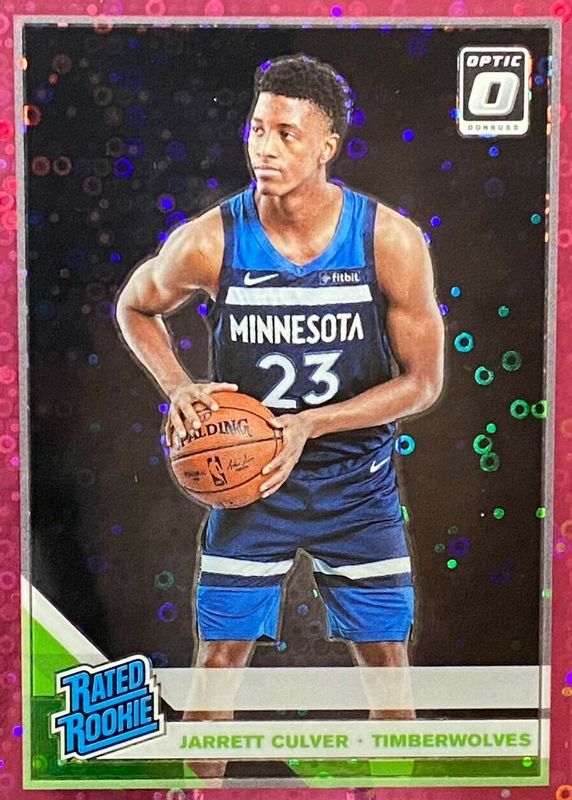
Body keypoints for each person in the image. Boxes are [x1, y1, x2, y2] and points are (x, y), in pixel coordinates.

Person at [116, 54, 444, 779]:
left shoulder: (388, 240)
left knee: (389, 675)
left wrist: (309, 426)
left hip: (356, 485)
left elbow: (422, 384)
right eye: (257, 129)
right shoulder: (211, 240)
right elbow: (136, 306)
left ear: (327, 145)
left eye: (287, 134)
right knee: (215, 669)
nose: (264, 147)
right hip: (251, 488)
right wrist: (178, 386)